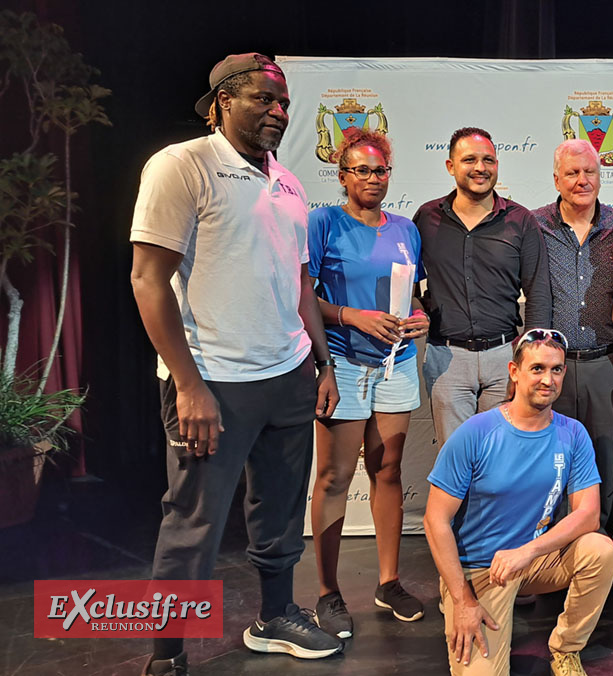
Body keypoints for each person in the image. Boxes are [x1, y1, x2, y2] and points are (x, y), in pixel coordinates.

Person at [130, 53, 343, 675]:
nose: (277, 112)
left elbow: (301, 282)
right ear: (222, 101)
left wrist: (322, 362)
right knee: (193, 524)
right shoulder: (182, 166)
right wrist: (189, 385)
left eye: (283, 102)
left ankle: (274, 616)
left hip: (287, 375)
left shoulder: (290, 181)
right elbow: (148, 280)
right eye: (262, 100)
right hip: (212, 382)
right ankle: (166, 655)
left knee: (278, 514)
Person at [424, 329, 613, 676]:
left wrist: (528, 551)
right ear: (514, 372)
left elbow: (588, 514)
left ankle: (565, 649)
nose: (548, 379)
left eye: (557, 369)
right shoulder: (476, 432)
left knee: (600, 550)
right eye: (538, 368)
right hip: (481, 570)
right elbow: (435, 521)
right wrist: (462, 599)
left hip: (533, 560)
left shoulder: (572, 433)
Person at [307, 128, 430, 639]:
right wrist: (350, 317)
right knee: (335, 478)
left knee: (388, 470)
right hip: (343, 361)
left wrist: (420, 316)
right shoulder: (323, 222)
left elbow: (412, 293)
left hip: (396, 363)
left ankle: (388, 581)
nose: (373, 178)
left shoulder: (405, 228)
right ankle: (326, 593)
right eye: (362, 170)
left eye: (380, 170)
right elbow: (302, 298)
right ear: (342, 176)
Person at [531, 139, 613, 576]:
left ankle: (599, 558)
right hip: (548, 367)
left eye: (589, 172)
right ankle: (547, 561)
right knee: (546, 465)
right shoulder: (533, 225)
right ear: (556, 179)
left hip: (603, 363)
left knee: (602, 462)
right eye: (572, 173)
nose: (582, 180)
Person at [415, 127, 550, 446]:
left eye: (488, 159)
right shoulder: (425, 218)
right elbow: (405, 281)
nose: (480, 167)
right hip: (446, 359)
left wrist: (531, 361)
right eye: (469, 159)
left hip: (505, 358)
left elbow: (539, 293)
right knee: (455, 462)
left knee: (503, 458)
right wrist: (415, 309)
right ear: (451, 166)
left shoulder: (521, 220)